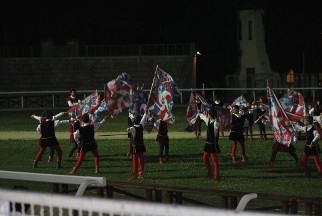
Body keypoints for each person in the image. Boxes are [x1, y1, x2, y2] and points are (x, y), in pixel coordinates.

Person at [199, 109, 221, 181]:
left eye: (208, 114)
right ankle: (210, 172)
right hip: (208, 144)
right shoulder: (209, 121)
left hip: (212, 144)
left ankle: (217, 176)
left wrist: (217, 123)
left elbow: (216, 129)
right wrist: (200, 114)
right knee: (205, 158)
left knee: (215, 160)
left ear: (211, 115)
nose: (207, 115)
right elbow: (204, 118)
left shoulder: (215, 123)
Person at [127, 111, 148, 180]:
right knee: (141, 160)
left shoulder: (133, 128)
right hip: (141, 146)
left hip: (135, 147)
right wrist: (145, 113)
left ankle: (135, 175)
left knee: (135, 161)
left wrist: (128, 129)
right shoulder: (141, 125)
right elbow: (143, 119)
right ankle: (141, 174)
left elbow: (129, 130)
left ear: (134, 122)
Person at [66, 88, 81, 158]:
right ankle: (76, 153)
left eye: (74, 92)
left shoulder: (78, 97)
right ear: (70, 93)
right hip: (73, 116)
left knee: (79, 141)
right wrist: (76, 105)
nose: (74, 93)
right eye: (73, 92)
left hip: (77, 115)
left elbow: (80, 104)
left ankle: (75, 153)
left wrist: (75, 105)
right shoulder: (68, 98)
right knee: (79, 141)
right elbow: (70, 105)